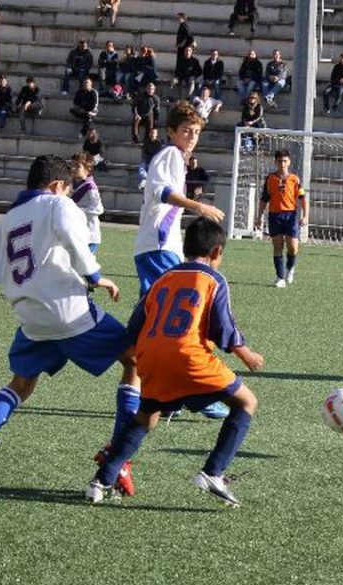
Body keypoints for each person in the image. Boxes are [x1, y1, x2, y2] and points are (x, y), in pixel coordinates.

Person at [0, 154, 139, 493]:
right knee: (136, 359)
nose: (68, 197)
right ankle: (118, 455)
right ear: (55, 186)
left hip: (32, 320)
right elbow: (70, 234)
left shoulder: (7, 220)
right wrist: (95, 276)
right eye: (67, 190)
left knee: (21, 384)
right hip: (70, 313)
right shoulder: (57, 204)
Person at [85, 217, 265, 507]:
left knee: (146, 418)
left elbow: (136, 323)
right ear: (217, 253)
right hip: (188, 357)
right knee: (247, 403)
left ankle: (101, 481)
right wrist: (245, 354)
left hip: (150, 357)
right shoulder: (213, 279)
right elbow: (224, 326)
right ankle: (213, 472)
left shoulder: (162, 279)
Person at [134, 103, 229, 421]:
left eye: (196, 132)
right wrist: (198, 207)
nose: (191, 137)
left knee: (152, 324)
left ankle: (162, 397)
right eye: (185, 130)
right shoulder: (171, 155)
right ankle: (194, 397)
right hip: (161, 247)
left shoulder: (176, 158)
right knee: (181, 321)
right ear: (171, 131)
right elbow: (160, 191)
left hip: (155, 246)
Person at [255, 149, 309, 287]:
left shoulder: (295, 179)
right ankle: (280, 277)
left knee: (293, 248)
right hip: (274, 216)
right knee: (277, 246)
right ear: (275, 162)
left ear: (289, 162)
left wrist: (305, 216)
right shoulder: (270, 178)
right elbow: (264, 199)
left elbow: (303, 199)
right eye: (279, 161)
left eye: (285, 161)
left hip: (290, 215)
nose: (282, 164)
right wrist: (259, 216)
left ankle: (290, 269)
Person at [70, 153, 104, 253]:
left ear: (87, 168)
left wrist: (79, 211)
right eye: (72, 165)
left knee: (85, 266)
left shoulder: (90, 186)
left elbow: (98, 209)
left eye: (77, 166)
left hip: (90, 235)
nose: (73, 168)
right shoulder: (70, 184)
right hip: (75, 232)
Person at [174, 13, 195, 77]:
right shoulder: (182, 25)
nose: (177, 19)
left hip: (183, 49)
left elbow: (190, 36)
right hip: (182, 48)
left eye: (178, 17)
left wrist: (182, 44)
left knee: (181, 63)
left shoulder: (184, 25)